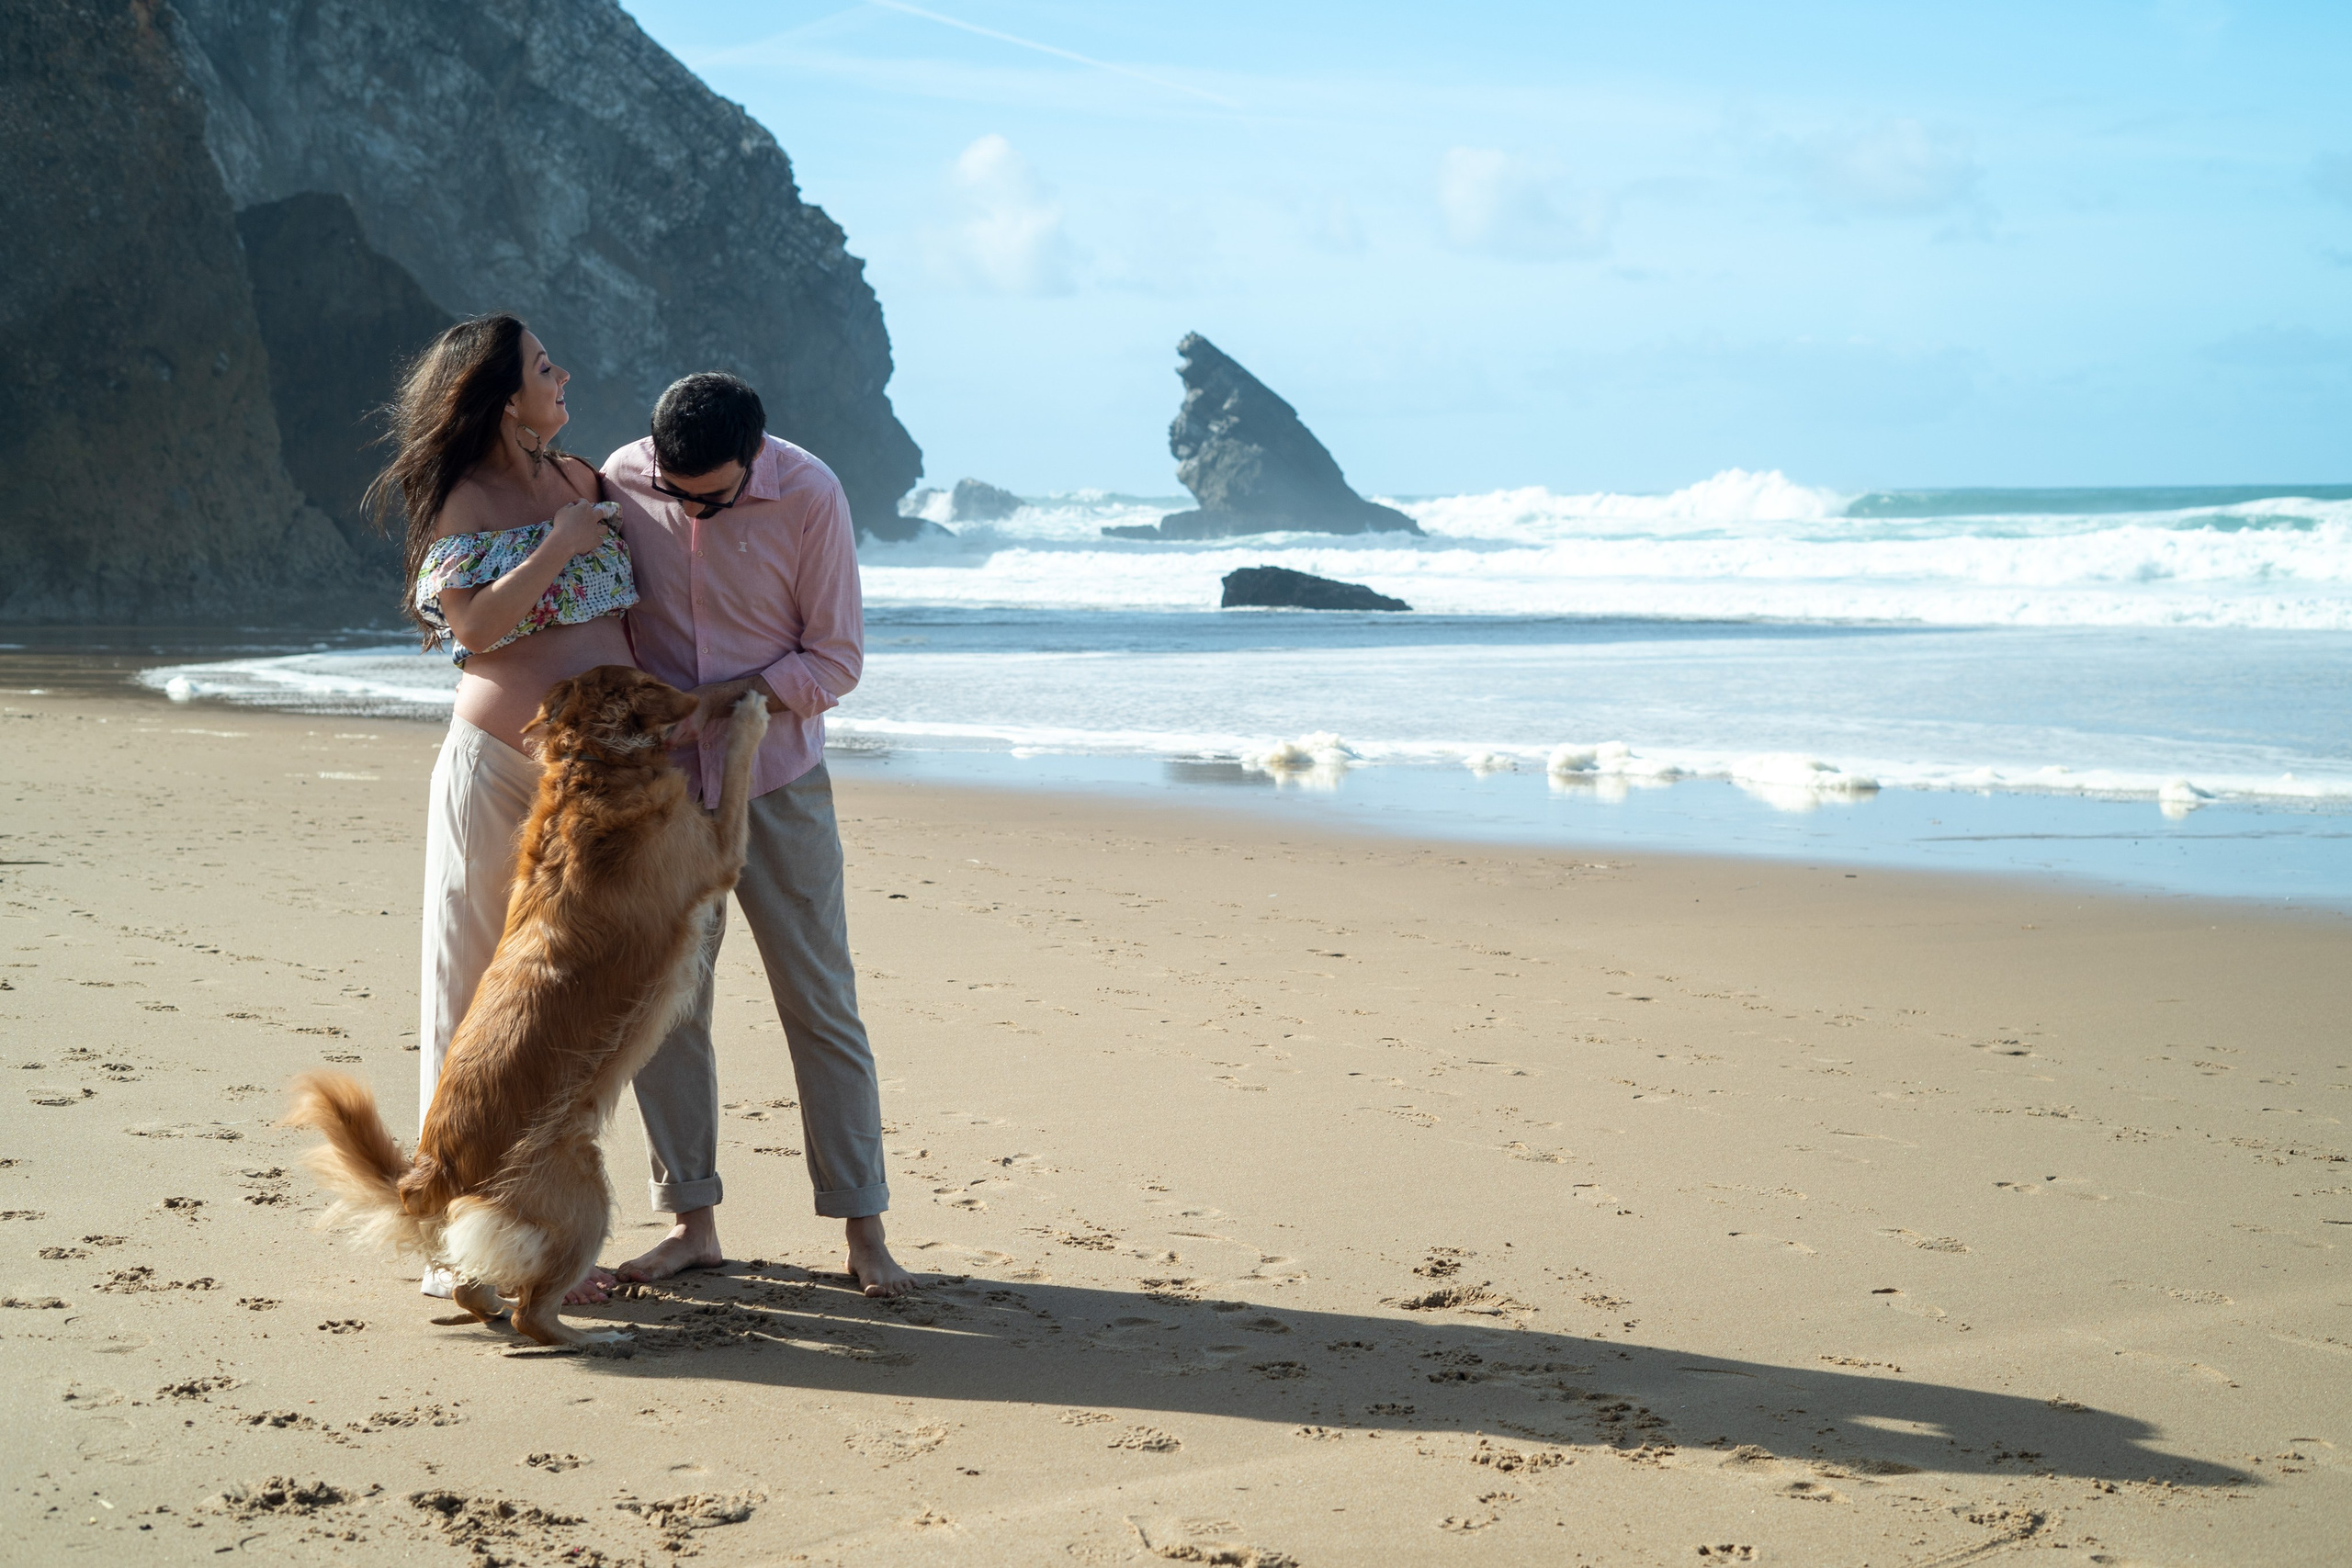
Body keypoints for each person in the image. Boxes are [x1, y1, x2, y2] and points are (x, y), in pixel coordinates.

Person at [601, 372, 915, 1298]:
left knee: (819, 1002)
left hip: (777, 782)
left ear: (757, 455)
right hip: (658, 791)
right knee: (669, 1007)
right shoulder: (623, 478)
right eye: (676, 494)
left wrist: (731, 706)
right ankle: (691, 1223)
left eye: (714, 497)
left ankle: (864, 1230)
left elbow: (837, 658)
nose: (692, 512)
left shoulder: (810, 492)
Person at [367, 313, 637, 1305]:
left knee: (574, 999)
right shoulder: (465, 499)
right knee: (469, 985)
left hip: (598, 777)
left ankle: (545, 1219)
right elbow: (474, 624)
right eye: (541, 366)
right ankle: (450, 1234)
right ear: (494, 393)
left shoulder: (585, 481)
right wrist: (562, 546)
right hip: (497, 766)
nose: (563, 374)